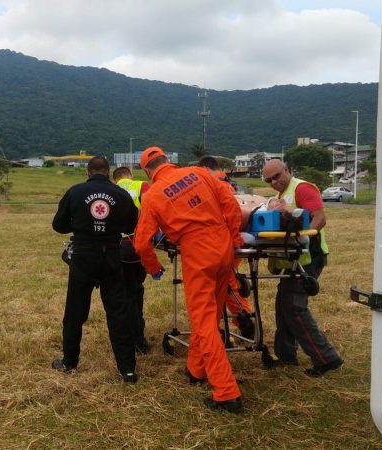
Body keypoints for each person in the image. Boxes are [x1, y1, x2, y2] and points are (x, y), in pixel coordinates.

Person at [134, 146, 244, 413]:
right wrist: (235, 241)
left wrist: (153, 267)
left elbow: (141, 243)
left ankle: (227, 392)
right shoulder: (200, 172)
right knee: (213, 312)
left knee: (203, 322)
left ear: (147, 171)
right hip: (223, 246)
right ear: (168, 160)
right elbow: (231, 206)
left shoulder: (154, 195)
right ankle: (196, 370)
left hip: (198, 254)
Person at [52, 156, 140, 383]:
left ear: (88, 172)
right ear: (108, 172)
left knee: (75, 312)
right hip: (112, 256)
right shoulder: (120, 194)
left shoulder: (75, 192)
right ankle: (128, 369)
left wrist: (81, 224)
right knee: (118, 313)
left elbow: (58, 225)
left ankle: (69, 362)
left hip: (82, 257)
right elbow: (132, 225)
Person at [261, 159, 343, 377]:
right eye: (269, 180)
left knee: (294, 307)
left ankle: (326, 358)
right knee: (283, 304)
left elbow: (320, 218)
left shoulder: (302, 188)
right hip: (293, 260)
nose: (273, 182)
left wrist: (302, 238)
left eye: (277, 176)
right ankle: (286, 355)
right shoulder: (280, 197)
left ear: (287, 169)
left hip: (308, 258)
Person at [196, 156, 256, 340]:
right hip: (229, 240)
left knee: (226, 286)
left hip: (222, 243)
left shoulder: (215, 184)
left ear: (205, 169)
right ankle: (238, 323)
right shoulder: (225, 182)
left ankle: (245, 323)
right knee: (225, 285)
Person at [112, 166, 151, 354]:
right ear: (130, 176)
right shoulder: (141, 185)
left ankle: (129, 335)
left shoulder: (110, 191)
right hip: (137, 246)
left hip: (116, 247)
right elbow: (153, 208)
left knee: (124, 293)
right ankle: (138, 338)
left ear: (115, 180)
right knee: (136, 291)